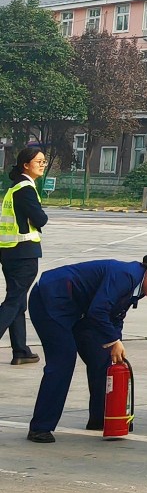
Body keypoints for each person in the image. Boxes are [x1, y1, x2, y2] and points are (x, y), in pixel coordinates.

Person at [26, 254, 147, 442]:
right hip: (51, 299)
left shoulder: (140, 286)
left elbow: (116, 315)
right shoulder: (126, 275)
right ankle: (40, 427)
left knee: (104, 359)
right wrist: (114, 340)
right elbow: (99, 310)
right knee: (63, 361)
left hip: (81, 308)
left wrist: (116, 342)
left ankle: (101, 418)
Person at [1, 147, 48, 365]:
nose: (42, 165)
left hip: (9, 251)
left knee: (18, 301)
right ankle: (20, 350)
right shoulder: (25, 189)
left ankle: (20, 350)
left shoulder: (14, 187)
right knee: (13, 301)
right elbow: (40, 219)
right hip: (24, 253)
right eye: (38, 161)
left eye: (44, 161)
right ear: (26, 165)